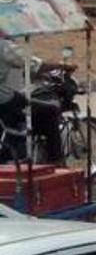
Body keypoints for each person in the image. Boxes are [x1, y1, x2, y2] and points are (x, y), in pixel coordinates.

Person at [0, 34, 62, 163]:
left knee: (21, 100)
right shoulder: (4, 46)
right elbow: (34, 65)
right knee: (50, 110)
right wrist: (63, 67)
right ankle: (55, 161)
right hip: (4, 100)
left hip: (8, 97)